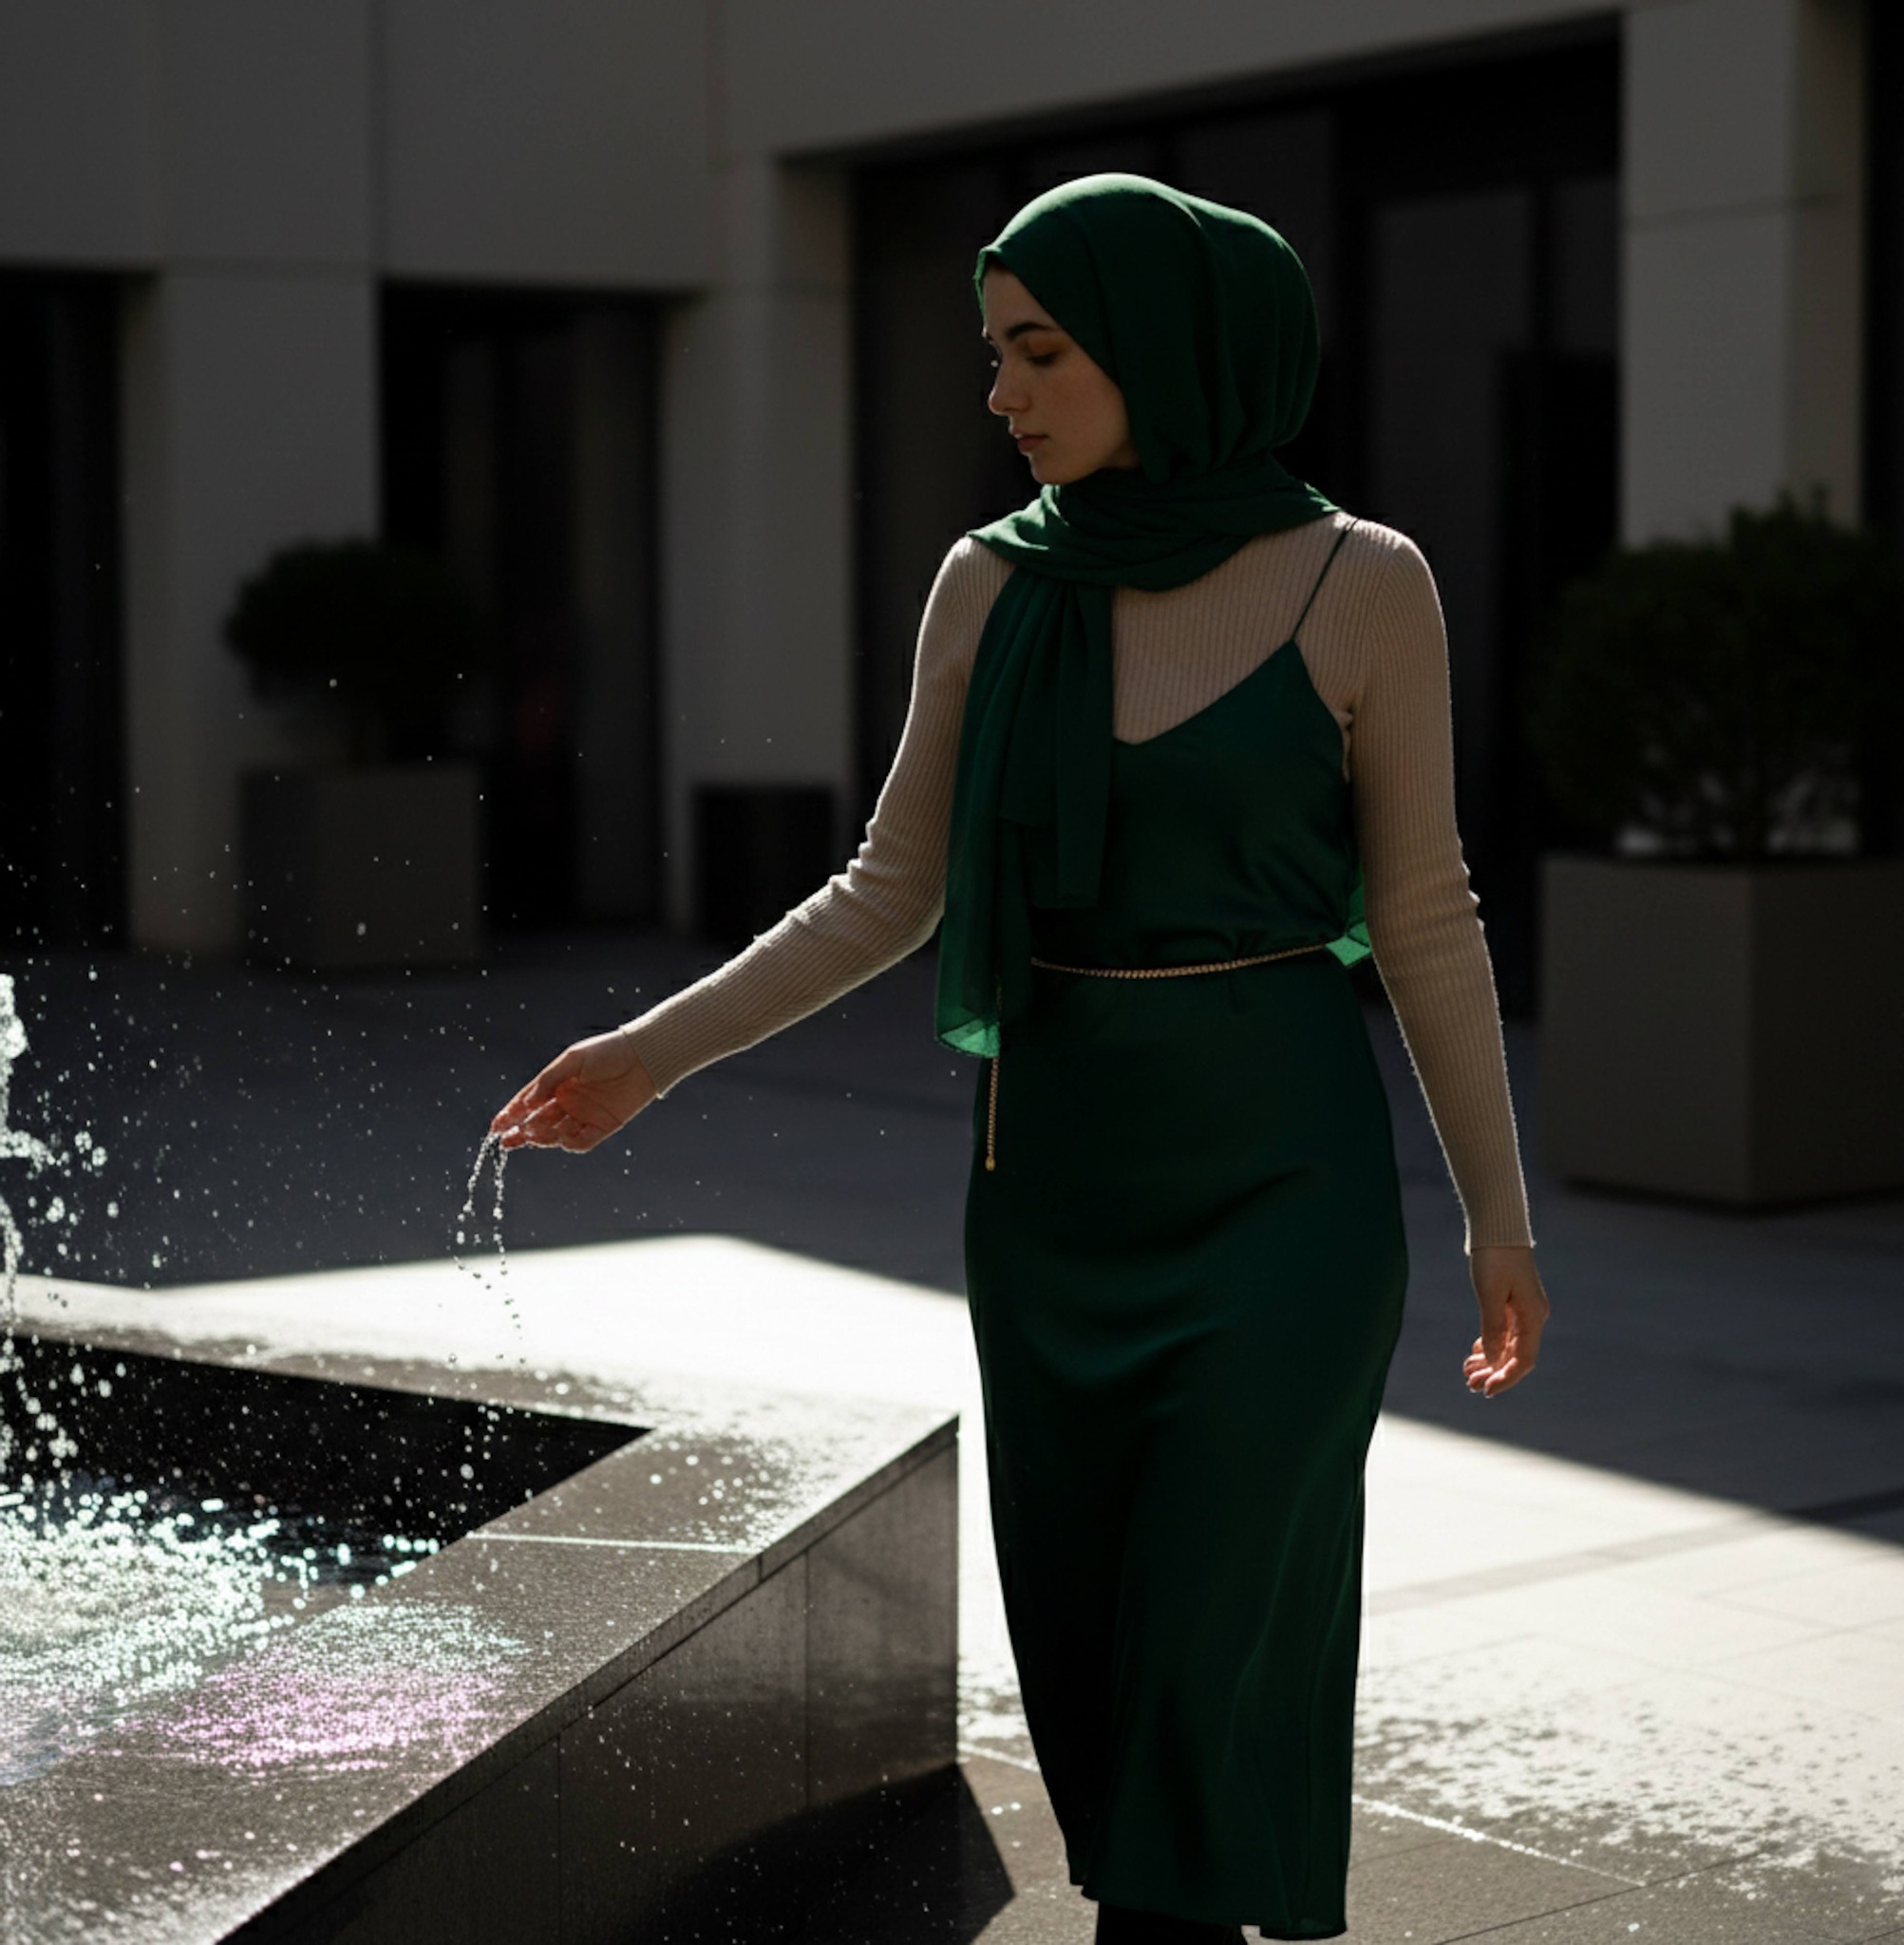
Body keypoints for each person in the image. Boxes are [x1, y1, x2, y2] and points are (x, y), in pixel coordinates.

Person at [491, 174, 1550, 1944]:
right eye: (995, 354)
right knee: (1090, 1626)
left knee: (1212, 1636)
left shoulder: (1370, 585)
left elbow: (1428, 915)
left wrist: (1498, 1218)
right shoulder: (991, 585)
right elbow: (886, 892)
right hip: (1054, 1188)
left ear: (1162, 347)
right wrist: (648, 1056)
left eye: (1040, 350)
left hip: (1286, 1185)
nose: (1003, 394)